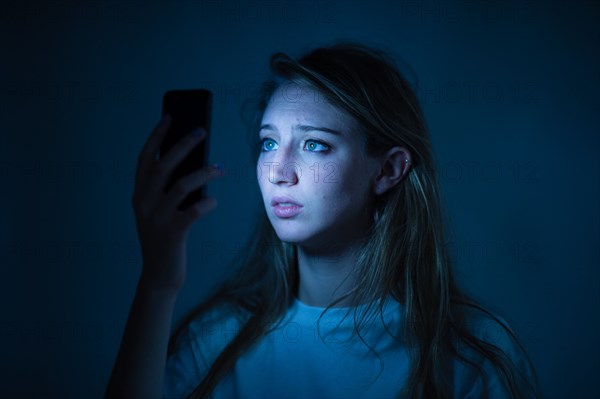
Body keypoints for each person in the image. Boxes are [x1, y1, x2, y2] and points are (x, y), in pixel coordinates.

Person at [105, 43, 541, 399]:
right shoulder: (215, 341)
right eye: (269, 142)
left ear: (388, 170)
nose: (279, 170)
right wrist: (158, 284)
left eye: (314, 145)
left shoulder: (472, 353)